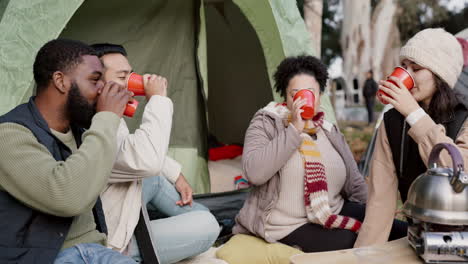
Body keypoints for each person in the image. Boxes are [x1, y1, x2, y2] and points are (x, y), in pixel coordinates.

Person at [0, 39, 135, 263]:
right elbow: (67, 197)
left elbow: (143, 162)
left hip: (95, 248)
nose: (104, 88)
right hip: (46, 256)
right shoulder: (9, 135)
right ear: (60, 81)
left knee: (202, 227)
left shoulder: (81, 131)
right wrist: (107, 117)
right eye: (95, 80)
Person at [233, 55, 384, 253]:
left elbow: (355, 183)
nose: (303, 99)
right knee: (350, 240)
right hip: (284, 226)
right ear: (285, 98)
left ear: (320, 95)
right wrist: (294, 129)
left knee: (390, 227)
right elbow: (254, 172)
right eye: (295, 94)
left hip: (331, 211)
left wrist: (376, 207)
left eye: (310, 92)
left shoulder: (329, 130)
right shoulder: (266, 122)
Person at [90, 43, 219, 264]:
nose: (130, 85)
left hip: (116, 207)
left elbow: (130, 152)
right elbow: (144, 159)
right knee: (208, 226)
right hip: (112, 241)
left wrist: (176, 175)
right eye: (123, 77)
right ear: (96, 82)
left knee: (156, 178)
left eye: (131, 75)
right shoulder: (94, 126)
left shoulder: (101, 114)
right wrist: (157, 99)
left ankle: (193, 218)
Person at [355, 28, 467, 247]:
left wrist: (415, 116)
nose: (407, 74)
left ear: (440, 75)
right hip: (419, 233)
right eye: (404, 66)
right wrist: (363, 256)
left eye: (415, 68)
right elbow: (381, 201)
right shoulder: (392, 122)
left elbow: (460, 171)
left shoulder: (464, 117)